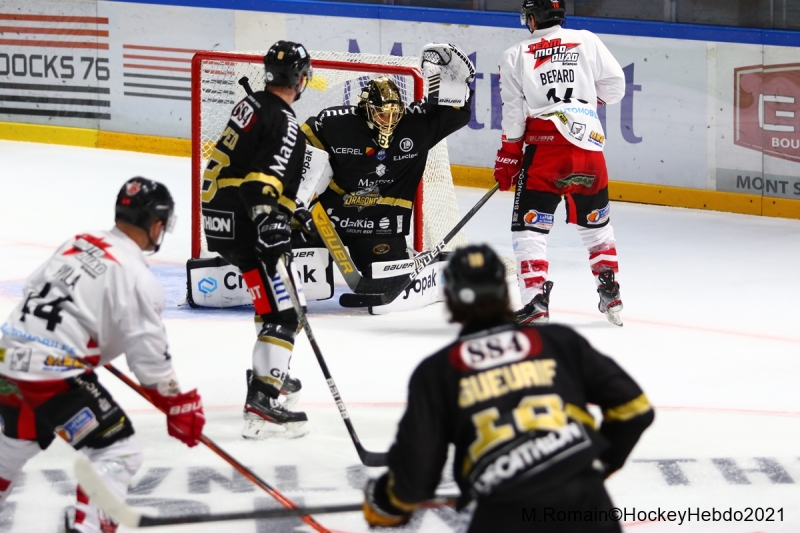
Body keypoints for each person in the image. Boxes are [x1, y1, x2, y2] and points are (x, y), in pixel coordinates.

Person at [363, 244, 653, 533]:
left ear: (450, 300)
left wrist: (384, 501)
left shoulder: (439, 371)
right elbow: (635, 410)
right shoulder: (559, 342)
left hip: (502, 514)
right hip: (584, 503)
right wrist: (596, 465)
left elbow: (414, 477)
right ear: (504, 293)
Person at [0, 178, 205, 533]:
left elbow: (36, 289)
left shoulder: (81, 241)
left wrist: (85, 338)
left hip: (9, 354)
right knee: (117, 451)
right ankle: (89, 527)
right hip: (52, 371)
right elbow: (150, 360)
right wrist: (178, 403)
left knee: (12, 448)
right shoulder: (137, 277)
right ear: (156, 224)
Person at [200, 41, 315, 439]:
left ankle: (271, 377)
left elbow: (255, 168)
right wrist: (270, 220)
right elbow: (259, 182)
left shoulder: (253, 106)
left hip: (222, 219)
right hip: (248, 220)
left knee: (271, 305)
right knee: (287, 313)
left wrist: (289, 211)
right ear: (303, 78)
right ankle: (264, 397)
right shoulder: (283, 119)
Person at [494, 0, 627, 326]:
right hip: (589, 152)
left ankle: (536, 300)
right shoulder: (586, 39)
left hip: (546, 153)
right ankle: (610, 291)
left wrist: (509, 155)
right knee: (596, 228)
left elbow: (514, 115)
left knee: (529, 229)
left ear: (532, 17)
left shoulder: (515, 54)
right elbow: (616, 88)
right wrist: (580, 104)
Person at [300, 43, 474, 277]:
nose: (389, 120)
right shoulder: (336, 123)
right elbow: (297, 146)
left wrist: (459, 85)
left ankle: (413, 259)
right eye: (382, 114)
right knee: (296, 247)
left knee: (391, 278)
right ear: (366, 110)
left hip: (381, 226)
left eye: (394, 114)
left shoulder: (416, 125)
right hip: (332, 216)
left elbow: (455, 112)